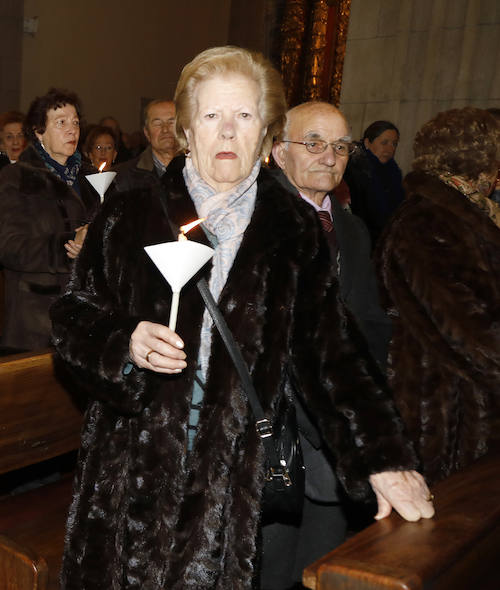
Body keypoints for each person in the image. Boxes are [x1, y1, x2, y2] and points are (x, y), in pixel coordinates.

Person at [49, 46, 434, 590]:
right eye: (211, 116)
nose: (228, 132)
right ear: (185, 130)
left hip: (230, 474)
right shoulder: (132, 213)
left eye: (244, 116)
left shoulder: (292, 228)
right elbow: (71, 315)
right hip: (131, 467)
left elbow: (332, 352)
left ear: (266, 135)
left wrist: (384, 457)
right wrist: (123, 342)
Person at [375, 107, 500, 485]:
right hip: (445, 413)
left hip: (468, 406)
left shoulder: (466, 215)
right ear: (480, 159)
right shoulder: (427, 221)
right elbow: (467, 326)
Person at [271, 102, 391, 368]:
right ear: (281, 154)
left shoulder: (354, 229)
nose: (329, 158)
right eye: (314, 145)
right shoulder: (256, 218)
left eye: (339, 147)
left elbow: (369, 315)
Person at [0, 88, 99, 353]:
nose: (72, 130)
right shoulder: (16, 178)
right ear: (39, 131)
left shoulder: (92, 177)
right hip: (38, 320)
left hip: (91, 315)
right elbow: (12, 249)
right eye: (61, 122)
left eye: (75, 122)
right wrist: (68, 245)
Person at [343, 120, 404, 245]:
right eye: (384, 142)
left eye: (394, 144)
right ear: (367, 143)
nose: (390, 148)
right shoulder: (353, 171)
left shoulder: (394, 172)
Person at [111, 99, 179, 194]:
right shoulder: (121, 177)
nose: (165, 129)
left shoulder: (198, 169)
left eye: (171, 122)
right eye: (157, 124)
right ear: (147, 133)